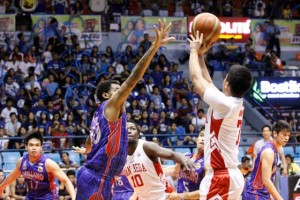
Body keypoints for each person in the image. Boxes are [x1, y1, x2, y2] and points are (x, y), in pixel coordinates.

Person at [74, 19, 175, 200]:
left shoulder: (99, 114)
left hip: (94, 176)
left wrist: (90, 152)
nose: (121, 92)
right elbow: (134, 77)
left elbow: (90, 139)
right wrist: (154, 48)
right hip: (97, 178)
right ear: (106, 95)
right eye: (116, 89)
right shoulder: (111, 106)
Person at [188, 31, 253, 199]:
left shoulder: (225, 104)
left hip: (221, 177)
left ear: (226, 83)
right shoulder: (232, 103)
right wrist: (201, 57)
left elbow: (196, 79)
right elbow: (208, 82)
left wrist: (194, 51)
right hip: (227, 175)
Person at [123, 121, 194, 199]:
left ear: (138, 134)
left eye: (132, 129)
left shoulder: (146, 147)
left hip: (163, 196)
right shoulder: (121, 157)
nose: (129, 131)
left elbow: (172, 154)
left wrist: (184, 159)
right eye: (126, 129)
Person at [0, 132, 76, 200]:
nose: (34, 148)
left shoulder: (48, 163)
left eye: (37, 145)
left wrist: (73, 198)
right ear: (26, 146)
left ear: (41, 147)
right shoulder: (21, 161)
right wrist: (1, 186)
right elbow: (12, 176)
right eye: (31, 145)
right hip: (31, 195)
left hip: (48, 196)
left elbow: (66, 181)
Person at [243, 120, 291, 200]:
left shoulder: (275, 149)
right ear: (275, 134)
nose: (286, 138)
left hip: (262, 194)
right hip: (256, 195)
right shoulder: (269, 152)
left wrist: (269, 196)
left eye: (288, 135)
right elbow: (266, 180)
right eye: (284, 134)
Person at [165, 127, 205, 200]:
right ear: (197, 139)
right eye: (201, 135)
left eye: (207, 137)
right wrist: (154, 168)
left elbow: (206, 191)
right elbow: (175, 171)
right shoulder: (186, 156)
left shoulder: (208, 162)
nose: (203, 139)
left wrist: (181, 196)